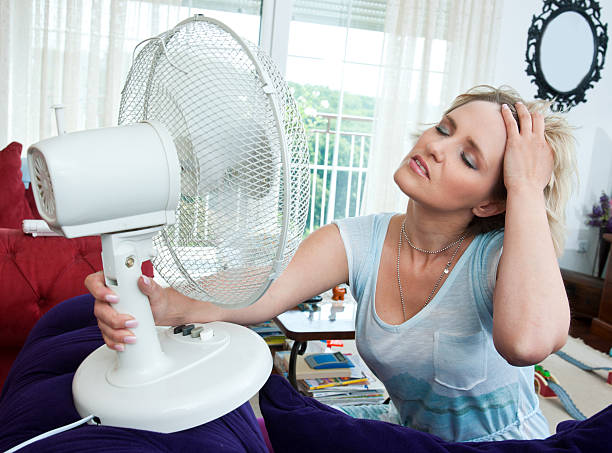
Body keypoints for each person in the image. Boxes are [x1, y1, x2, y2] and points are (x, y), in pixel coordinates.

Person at [85, 85, 577, 442]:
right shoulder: (360, 238)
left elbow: (528, 342)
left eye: (468, 158)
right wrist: (154, 304)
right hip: (410, 440)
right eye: (443, 128)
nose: (435, 147)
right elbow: (261, 291)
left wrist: (528, 187)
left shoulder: (497, 260)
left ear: (491, 203)